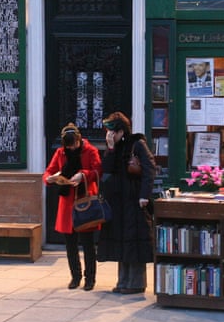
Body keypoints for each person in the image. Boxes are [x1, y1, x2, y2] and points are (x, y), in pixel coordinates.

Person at [97, 111, 155, 294]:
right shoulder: (115, 147)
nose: (111, 135)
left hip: (134, 199)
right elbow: (107, 169)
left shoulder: (137, 144)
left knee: (134, 241)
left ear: (122, 130)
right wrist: (111, 148)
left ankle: (136, 283)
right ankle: (123, 281)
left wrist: (144, 195)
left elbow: (149, 168)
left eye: (113, 132)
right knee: (123, 240)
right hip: (118, 201)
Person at [43, 124, 103, 290]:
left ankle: (90, 278)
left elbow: (98, 170)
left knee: (88, 243)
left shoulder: (90, 151)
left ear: (79, 139)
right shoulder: (60, 152)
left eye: (74, 144)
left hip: (84, 200)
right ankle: (75, 276)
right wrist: (49, 179)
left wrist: (83, 174)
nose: (71, 148)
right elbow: (49, 171)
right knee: (70, 244)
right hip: (67, 202)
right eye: (68, 146)